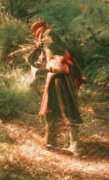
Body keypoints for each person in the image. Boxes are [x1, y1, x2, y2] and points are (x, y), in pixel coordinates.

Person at [27, 21, 83, 153]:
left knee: (67, 108)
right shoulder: (56, 41)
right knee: (55, 108)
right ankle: (51, 141)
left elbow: (44, 63)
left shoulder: (48, 42)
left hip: (60, 78)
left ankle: (73, 146)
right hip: (59, 78)